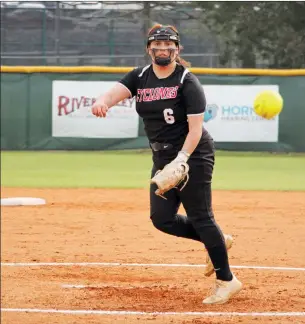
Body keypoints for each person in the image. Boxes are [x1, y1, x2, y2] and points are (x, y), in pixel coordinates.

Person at [91, 23, 242, 304]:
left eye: (168, 46)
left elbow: (196, 129)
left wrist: (182, 160)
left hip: (192, 154)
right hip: (162, 156)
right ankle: (218, 240)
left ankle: (227, 280)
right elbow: (114, 92)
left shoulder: (187, 80)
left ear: (177, 49)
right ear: (148, 49)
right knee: (162, 219)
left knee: (201, 215)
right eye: (157, 46)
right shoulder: (140, 76)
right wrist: (103, 101)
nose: (162, 50)